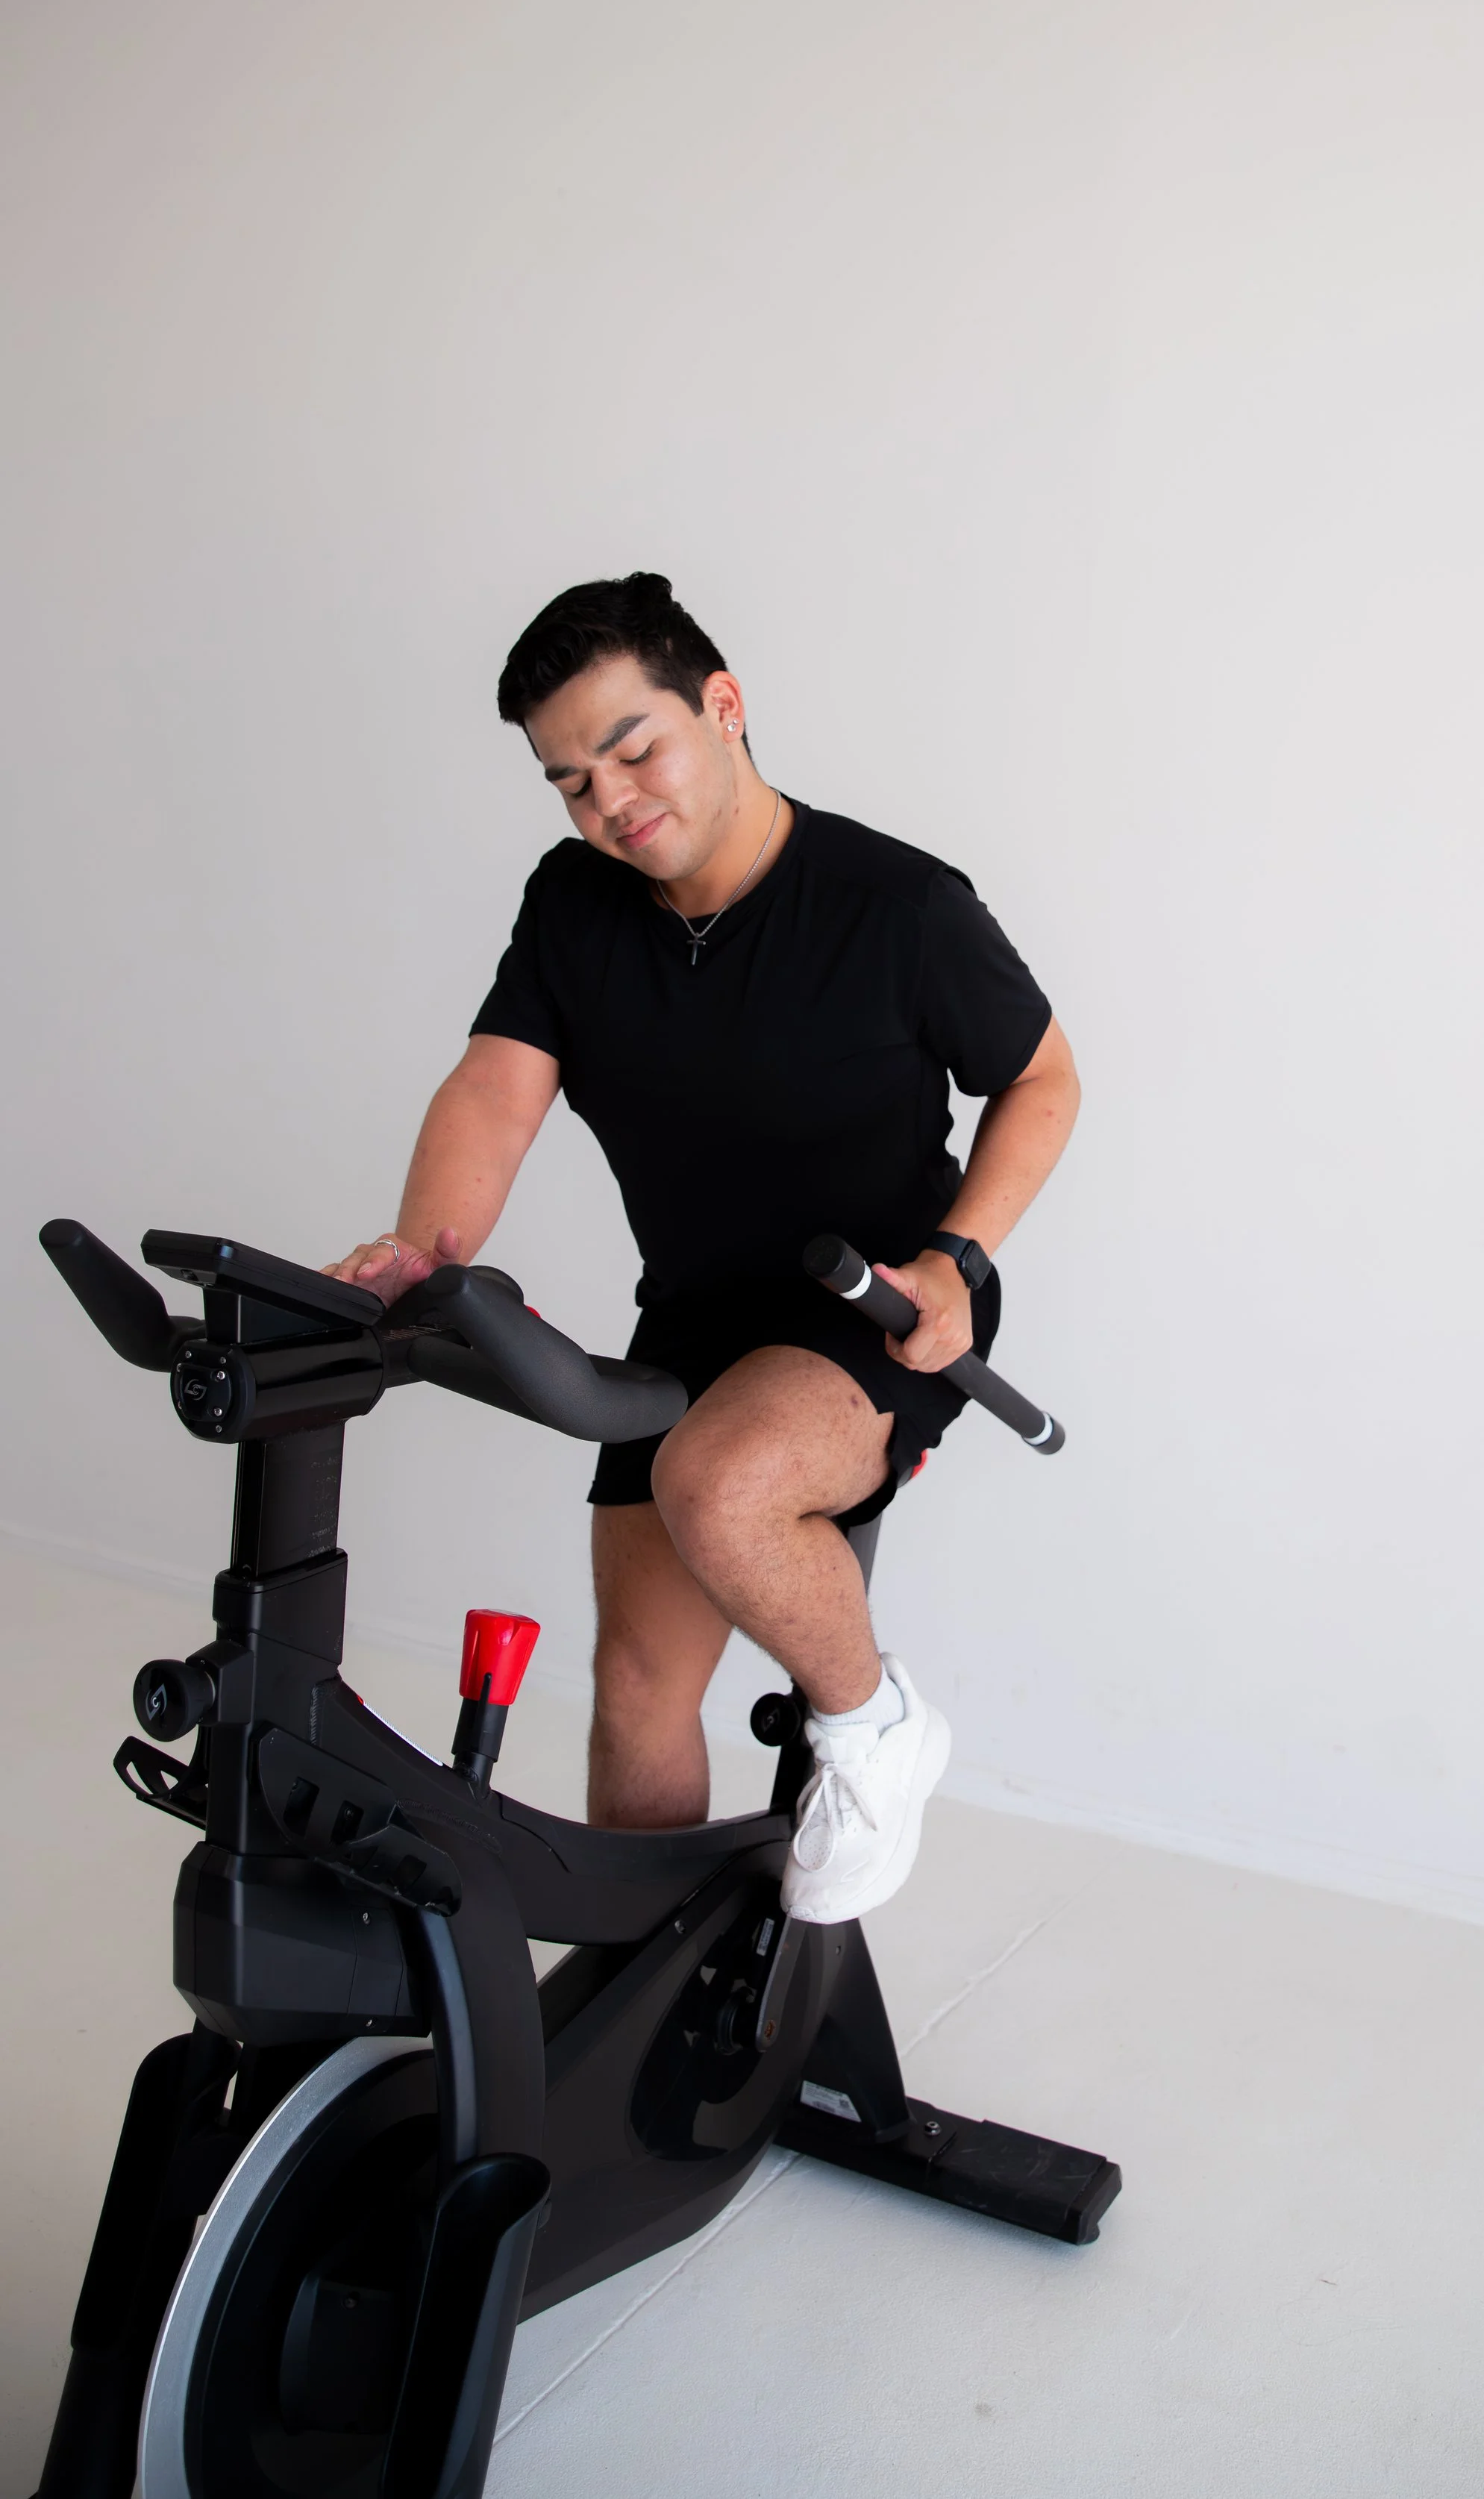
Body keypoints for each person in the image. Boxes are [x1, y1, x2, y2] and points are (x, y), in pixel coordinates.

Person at [328, 573, 1077, 1923]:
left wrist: (962, 1261)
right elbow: (497, 1088)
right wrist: (420, 1255)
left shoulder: (896, 905)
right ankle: (642, 1996)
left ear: (722, 708)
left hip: (883, 1307)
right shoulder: (574, 903)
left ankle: (875, 1722)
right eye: (572, 781)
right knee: (635, 1686)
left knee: (721, 1484)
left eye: (634, 749)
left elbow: (1042, 1080)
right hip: (696, 1312)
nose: (612, 800)